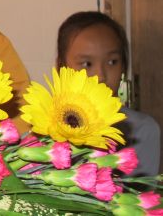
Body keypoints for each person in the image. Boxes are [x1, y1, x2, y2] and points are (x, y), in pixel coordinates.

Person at [57, 11, 160, 176]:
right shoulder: (44, 128)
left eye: (112, 62)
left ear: (124, 67)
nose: (101, 75)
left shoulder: (141, 131)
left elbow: (141, 189)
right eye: (87, 64)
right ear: (62, 67)